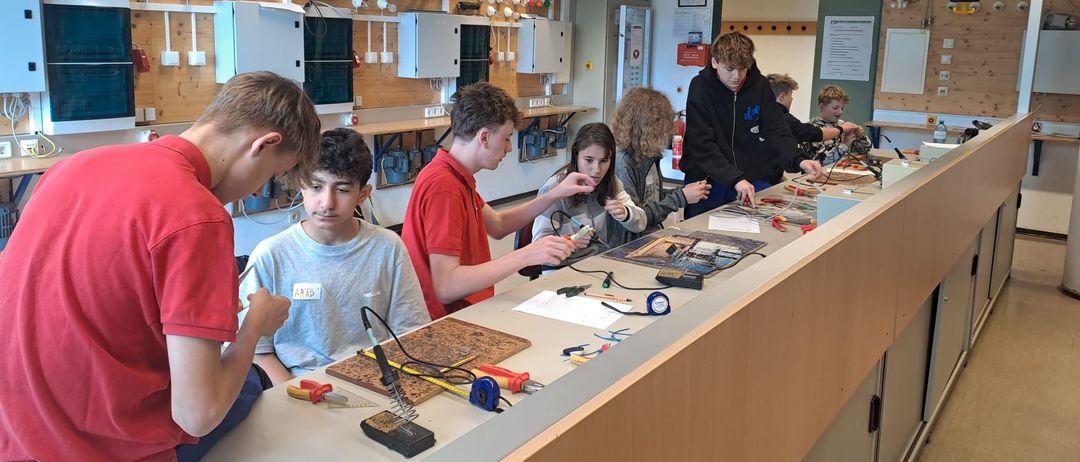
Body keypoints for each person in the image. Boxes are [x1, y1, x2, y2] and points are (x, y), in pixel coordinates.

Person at [0, 72, 320, 461]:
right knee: (253, 394)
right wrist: (255, 326)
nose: (256, 190)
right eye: (270, 175)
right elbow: (198, 415)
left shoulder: (74, 166)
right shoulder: (198, 216)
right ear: (263, 144)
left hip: (17, 437)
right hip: (101, 449)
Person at [239, 128, 431, 386]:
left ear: (363, 194)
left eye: (341, 189)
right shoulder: (271, 255)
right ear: (301, 186)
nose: (327, 202)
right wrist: (295, 393)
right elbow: (256, 351)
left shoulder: (388, 248)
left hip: (378, 383)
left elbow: (411, 334)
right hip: (298, 387)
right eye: (316, 187)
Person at [401, 82, 596, 320]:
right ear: (484, 137)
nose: (509, 148)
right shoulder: (444, 187)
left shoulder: (453, 175)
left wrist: (557, 192)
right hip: (444, 321)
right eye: (506, 138)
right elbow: (447, 287)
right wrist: (528, 254)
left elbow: (498, 225)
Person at [682, 32, 823, 218]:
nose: (737, 76)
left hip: (746, 178)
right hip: (707, 180)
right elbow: (701, 143)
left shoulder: (760, 85)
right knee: (700, 230)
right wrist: (734, 178)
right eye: (730, 69)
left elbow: (776, 129)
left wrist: (799, 159)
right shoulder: (700, 86)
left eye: (743, 69)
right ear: (715, 62)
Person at [532, 122, 647, 266]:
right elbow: (538, 247)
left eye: (604, 161)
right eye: (589, 160)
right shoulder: (555, 188)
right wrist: (571, 241)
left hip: (598, 263)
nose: (596, 170)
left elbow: (640, 224)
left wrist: (626, 213)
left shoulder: (611, 183)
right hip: (561, 268)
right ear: (576, 155)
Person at [611, 87, 710, 242]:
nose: (670, 129)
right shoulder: (624, 163)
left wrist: (685, 192)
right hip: (632, 242)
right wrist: (681, 197)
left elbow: (654, 198)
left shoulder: (650, 156)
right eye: (665, 124)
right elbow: (637, 219)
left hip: (652, 234)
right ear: (649, 127)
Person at [766, 73, 862, 145]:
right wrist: (842, 134)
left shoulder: (762, 114)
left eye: (842, 108)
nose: (840, 112)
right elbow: (815, 135)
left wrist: (858, 136)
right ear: (782, 96)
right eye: (790, 95)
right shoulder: (784, 119)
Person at [801, 85, 872, 166]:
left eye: (842, 108)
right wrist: (844, 144)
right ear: (822, 107)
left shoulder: (841, 124)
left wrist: (860, 137)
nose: (840, 112)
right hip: (818, 172)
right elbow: (819, 162)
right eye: (835, 108)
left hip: (840, 170)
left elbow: (864, 151)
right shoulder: (811, 129)